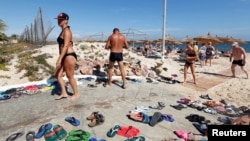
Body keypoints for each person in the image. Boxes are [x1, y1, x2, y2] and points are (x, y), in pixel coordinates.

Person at [54, 12, 79, 100]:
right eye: (58, 19)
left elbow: (65, 46)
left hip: (69, 55)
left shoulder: (67, 31)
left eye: (61, 19)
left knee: (70, 76)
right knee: (58, 75)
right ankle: (64, 93)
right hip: (64, 55)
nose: (59, 21)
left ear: (66, 20)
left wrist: (59, 59)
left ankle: (76, 94)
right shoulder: (63, 31)